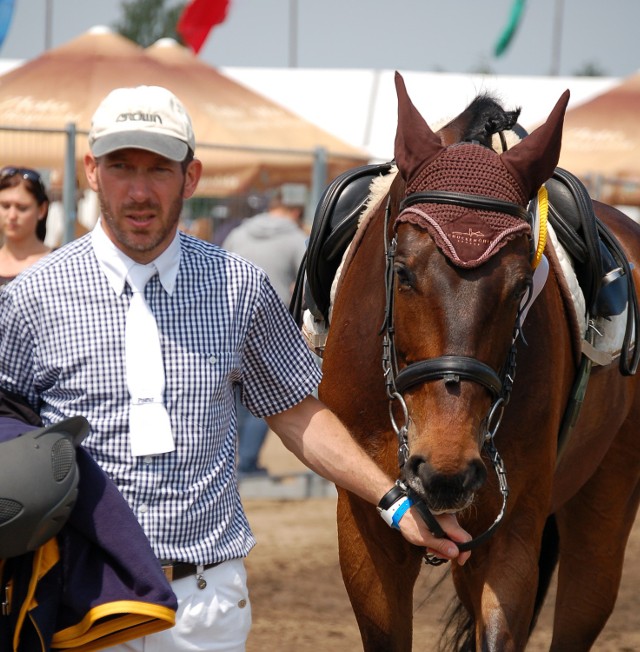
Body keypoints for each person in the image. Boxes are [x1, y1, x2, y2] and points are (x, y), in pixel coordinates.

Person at [0, 85, 471, 652]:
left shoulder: (237, 288)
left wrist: (394, 501)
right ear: (92, 171)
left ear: (191, 177)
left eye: (160, 168)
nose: (140, 190)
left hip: (206, 604)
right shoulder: (32, 296)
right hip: (80, 599)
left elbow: (298, 412)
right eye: (121, 166)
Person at [222, 183, 308, 477]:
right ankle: (246, 463)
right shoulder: (297, 239)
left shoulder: (239, 233)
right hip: (272, 328)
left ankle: (227, 461)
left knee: (228, 396)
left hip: (228, 323)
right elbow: (309, 285)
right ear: (296, 210)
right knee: (268, 398)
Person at [0, 166, 51, 286]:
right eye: (5, 206)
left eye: (22, 208)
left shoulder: (60, 263)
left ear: (42, 210)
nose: (12, 216)